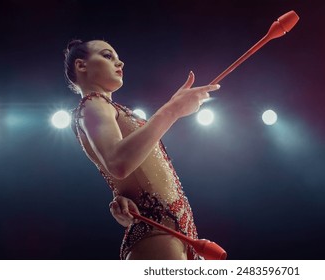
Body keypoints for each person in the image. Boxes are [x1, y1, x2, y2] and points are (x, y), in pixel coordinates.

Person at [64, 39, 220, 260]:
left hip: (174, 232)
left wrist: (121, 197)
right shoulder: (92, 105)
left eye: (117, 58)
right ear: (82, 66)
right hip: (157, 233)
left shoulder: (110, 109)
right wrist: (172, 110)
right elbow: (118, 162)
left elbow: (133, 174)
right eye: (107, 56)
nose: (120, 63)